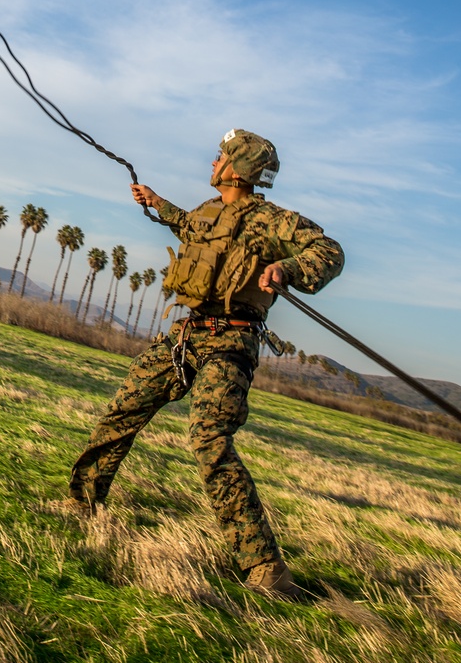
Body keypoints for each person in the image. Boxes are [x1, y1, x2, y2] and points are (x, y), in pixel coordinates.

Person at [68, 128, 344, 599]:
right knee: (124, 408)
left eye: (221, 155)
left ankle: (265, 568)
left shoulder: (272, 221)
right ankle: (83, 503)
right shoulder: (207, 210)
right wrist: (156, 202)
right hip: (188, 333)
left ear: (237, 168)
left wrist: (287, 269)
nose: (214, 160)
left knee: (208, 438)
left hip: (231, 342)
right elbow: (191, 228)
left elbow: (329, 251)